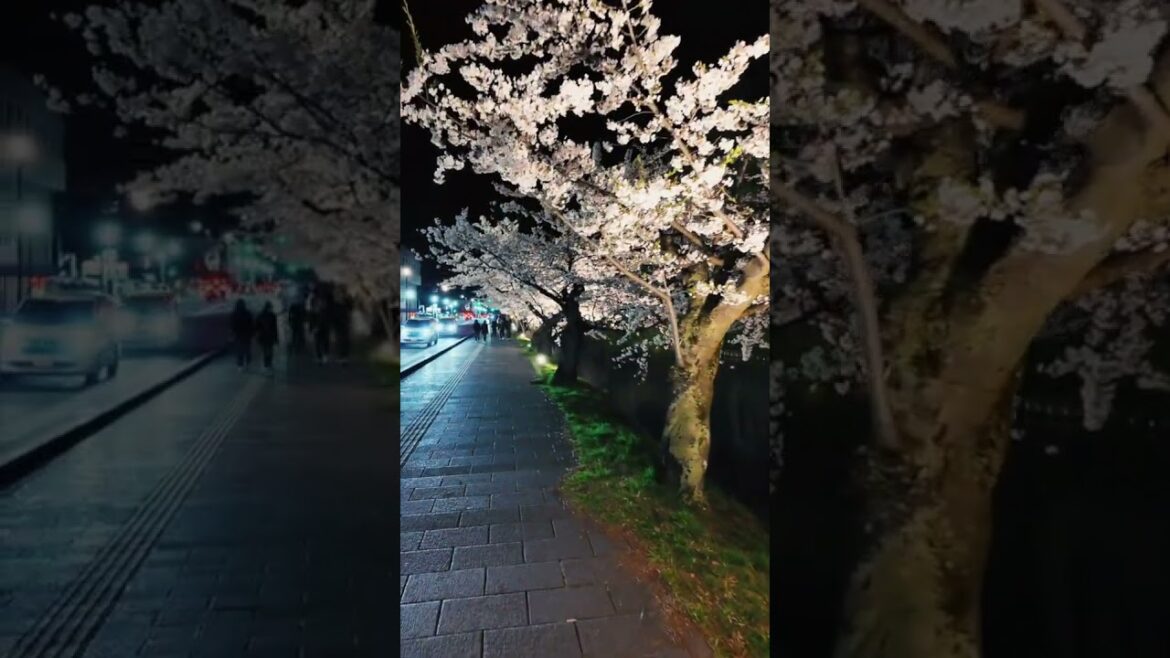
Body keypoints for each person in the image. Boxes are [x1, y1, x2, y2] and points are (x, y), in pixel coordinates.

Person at [230, 299, 254, 370]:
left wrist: (232, 333)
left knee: (239, 350)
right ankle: (247, 363)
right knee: (247, 349)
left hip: (238, 334)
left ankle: (240, 365)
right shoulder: (248, 313)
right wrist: (252, 333)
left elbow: (232, 325)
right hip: (247, 334)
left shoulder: (234, 314)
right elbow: (251, 324)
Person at [256, 301, 279, 373]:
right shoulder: (272, 316)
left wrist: (257, 335)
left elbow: (256, 326)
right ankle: (268, 364)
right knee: (269, 351)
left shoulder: (260, 315)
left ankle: (266, 364)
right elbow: (275, 328)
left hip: (263, 336)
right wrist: (276, 338)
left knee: (265, 351)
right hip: (270, 336)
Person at [311, 291, 332, 364]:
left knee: (323, 342)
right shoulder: (316, 309)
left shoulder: (324, 310)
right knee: (319, 342)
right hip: (321, 328)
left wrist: (314, 327)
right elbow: (312, 319)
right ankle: (321, 356)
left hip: (323, 328)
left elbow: (324, 319)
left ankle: (323, 356)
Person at [333, 291, 352, 364]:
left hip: (343, 322)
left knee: (343, 339)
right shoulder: (337, 304)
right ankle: (342, 356)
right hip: (340, 322)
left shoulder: (344, 303)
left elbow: (350, 308)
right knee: (341, 339)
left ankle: (343, 356)